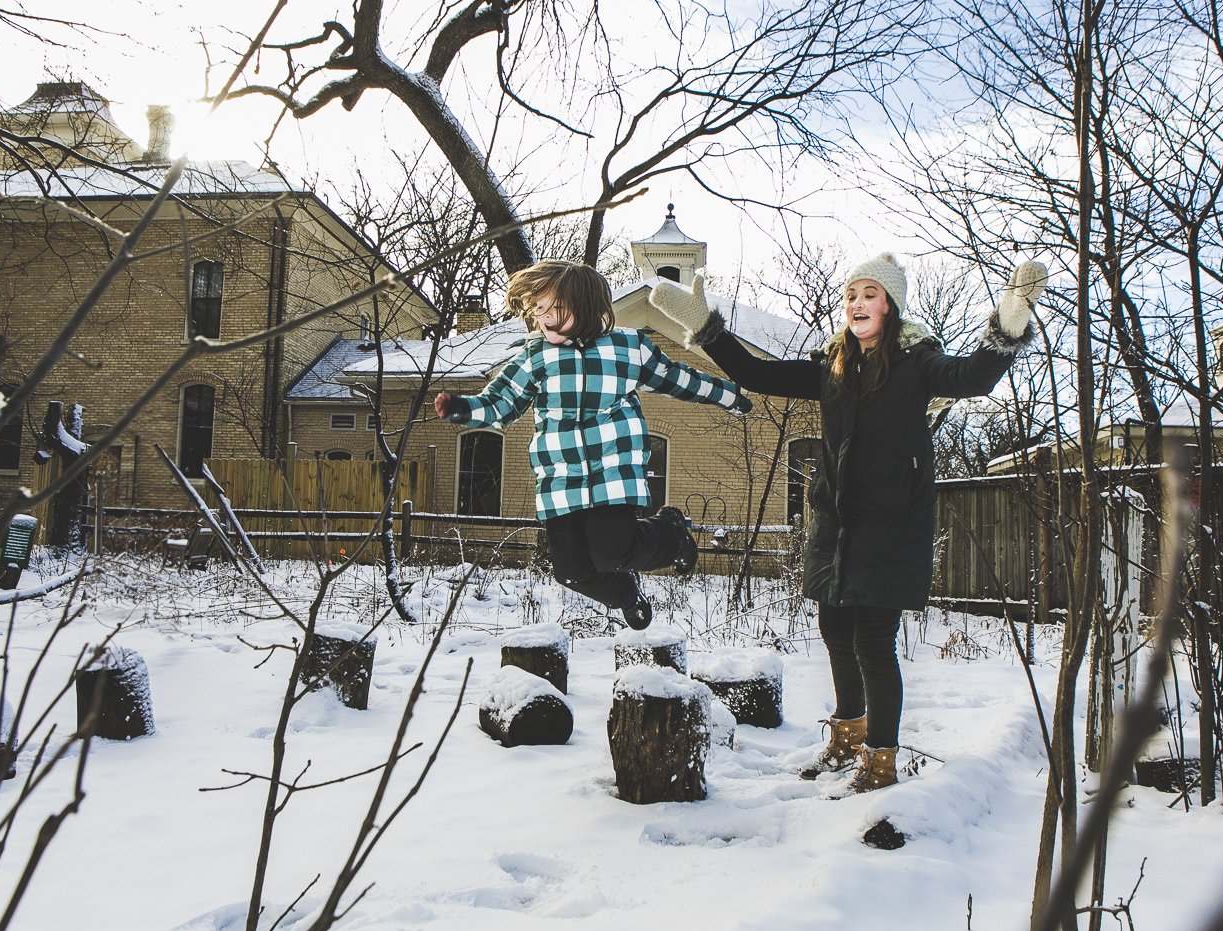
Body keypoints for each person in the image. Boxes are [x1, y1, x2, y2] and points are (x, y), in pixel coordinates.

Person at [650, 252, 1044, 792]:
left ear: (890, 306)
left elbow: (973, 378)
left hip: (892, 526)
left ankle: (881, 759)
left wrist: (1008, 327)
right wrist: (707, 328)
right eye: (851, 295)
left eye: (869, 294)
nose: (857, 303)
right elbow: (756, 374)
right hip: (836, 524)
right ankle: (848, 736)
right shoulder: (832, 368)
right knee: (835, 629)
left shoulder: (916, 363)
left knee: (874, 642)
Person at [434, 259, 753, 630]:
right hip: (560, 482)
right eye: (540, 308)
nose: (545, 317)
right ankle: (626, 595)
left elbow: (677, 379)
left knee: (614, 551)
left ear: (585, 307)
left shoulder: (627, 348)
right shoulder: (536, 357)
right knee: (571, 570)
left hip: (613, 473)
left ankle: (672, 532)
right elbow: (500, 401)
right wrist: (462, 409)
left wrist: (730, 396)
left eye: (556, 308)